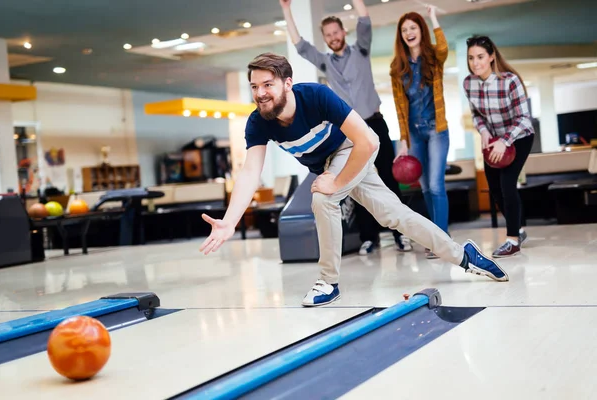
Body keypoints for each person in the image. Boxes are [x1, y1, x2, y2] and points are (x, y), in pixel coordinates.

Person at [198, 52, 509, 307]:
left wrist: (334, 181)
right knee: (395, 215)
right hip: (330, 164)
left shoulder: (316, 97)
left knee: (323, 197)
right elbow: (251, 172)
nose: (260, 93)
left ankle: (328, 282)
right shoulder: (259, 122)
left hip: (352, 149)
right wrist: (230, 220)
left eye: (267, 85)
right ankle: (464, 255)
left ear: (287, 83)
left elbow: (369, 141)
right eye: (254, 87)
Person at [279, 0, 412, 255]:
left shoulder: (361, 50)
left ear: (343, 32)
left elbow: (365, 20)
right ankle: (368, 238)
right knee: (355, 180)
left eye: (336, 32)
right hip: (348, 130)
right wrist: (287, 9)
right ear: (326, 39)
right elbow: (299, 45)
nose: (332, 37)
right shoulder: (326, 63)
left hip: (374, 122)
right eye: (327, 35)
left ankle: (401, 235)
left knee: (388, 179)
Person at [463, 35, 534, 257]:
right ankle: (519, 229)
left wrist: (505, 140)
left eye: (481, 57)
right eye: (471, 58)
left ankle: (512, 239)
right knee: (494, 188)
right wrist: (483, 131)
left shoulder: (510, 81)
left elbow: (524, 118)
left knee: (507, 183)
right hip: (493, 140)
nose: (476, 63)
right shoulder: (469, 83)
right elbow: (476, 114)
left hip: (519, 136)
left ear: (492, 57)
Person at [390, 6, 450, 259]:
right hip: (414, 133)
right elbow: (400, 109)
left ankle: (442, 240)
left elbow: (444, 47)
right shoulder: (397, 68)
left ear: (421, 31)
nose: (409, 33)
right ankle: (434, 238)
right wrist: (403, 141)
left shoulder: (435, 57)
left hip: (437, 129)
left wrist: (434, 17)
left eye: (413, 28)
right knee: (424, 186)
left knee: (436, 185)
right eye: (404, 30)